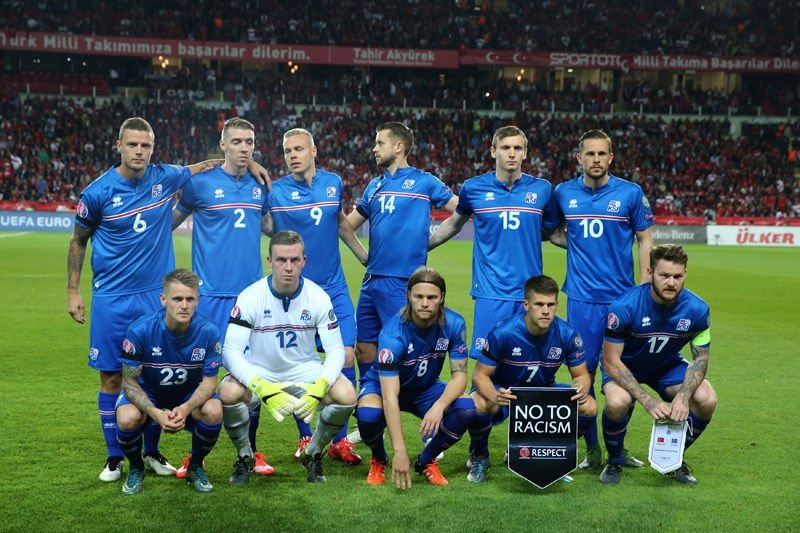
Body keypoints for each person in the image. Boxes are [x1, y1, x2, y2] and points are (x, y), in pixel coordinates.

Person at [67, 117, 266, 482]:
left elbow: (205, 166)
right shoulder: (97, 192)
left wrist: (248, 163)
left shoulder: (166, 177)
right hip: (111, 296)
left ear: (153, 148)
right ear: (118, 145)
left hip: (154, 296)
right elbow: (78, 239)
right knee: (111, 378)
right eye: (132, 144)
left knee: (154, 376)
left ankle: (152, 451)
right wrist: (72, 290)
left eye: (145, 145)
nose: (139, 151)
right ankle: (115, 458)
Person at [171, 117, 274, 478]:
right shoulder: (199, 184)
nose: (244, 147)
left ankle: (251, 452)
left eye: (250, 142)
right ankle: (195, 455)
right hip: (210, 297)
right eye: (237, 141)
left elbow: (272, 228)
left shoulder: (261, 186)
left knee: (249, 381)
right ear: (223, 144)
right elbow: (168, 222)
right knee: (201, 380)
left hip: (250, 299)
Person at [219, 230, 357, 484]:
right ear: (269, 261)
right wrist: (259, 385)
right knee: (228, 392)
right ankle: (245, 456)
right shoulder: (250, 296)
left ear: (304, 261)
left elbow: (336, 350)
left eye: (294, 260)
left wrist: (321, 385)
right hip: (261, 370)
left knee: (346, 395)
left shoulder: (318, 297)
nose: (288, 267)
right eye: (281, 260)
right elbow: (230, 351)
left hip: (304, 370)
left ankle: (313, 452)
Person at [550, 129, 653, 470]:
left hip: (622, 302)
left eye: (601, 154)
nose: (595, 160)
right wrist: (577, 244)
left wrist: (644, 287)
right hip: (581, 301)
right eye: (589, 154)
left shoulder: (630, 193)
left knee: (623, 376)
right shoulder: (563, 193)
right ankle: (592, 450)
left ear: (611, 157)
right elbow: (550, 230)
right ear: (579, 158)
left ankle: (616, 450)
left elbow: (645, 238)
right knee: (584, 374)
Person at [264, 127, 367, 465]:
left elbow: (340, 223)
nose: (292, 155)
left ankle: (338, 440)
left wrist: (363, 256)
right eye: (287, 151)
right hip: (297, 293)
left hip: (334, 288)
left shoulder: (333, 182)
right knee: (299, 363)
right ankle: (306, 435)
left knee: (347, 357)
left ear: (313, 151)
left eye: (298, 149)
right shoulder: (275, 190)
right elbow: (264, 224)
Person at [429, 125, 559, 359]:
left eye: (517, 148)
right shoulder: (473, 188)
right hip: (490, 292)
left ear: (525, 153)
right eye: (505, 147)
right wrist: (423, 246)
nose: (512, 153)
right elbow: (454, 223)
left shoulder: (542, 190)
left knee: (526, 361)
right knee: (486, 363)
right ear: (493, 151)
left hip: (530, 293)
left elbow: (551, 232)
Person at [347, 122, 457, 379]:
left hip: (402, 281)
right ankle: (370, 395)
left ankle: (405, 396)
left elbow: (460, 210)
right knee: (363, 348)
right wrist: (362, 256)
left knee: (401, 348)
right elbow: (347, 225)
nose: (374, 149)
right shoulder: (374, 186)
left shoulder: (424, 182)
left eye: (380, 143)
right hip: (371, 281)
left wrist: (431, 241)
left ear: (398, 147)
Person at [599, 244, 716, 485]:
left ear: (685, 273)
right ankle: (614, 460)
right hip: (625, 366)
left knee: (706, 399)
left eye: (677, 276)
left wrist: (683, 396)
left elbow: (700, 359)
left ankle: (673, 458)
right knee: (618, 402)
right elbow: (611, 361)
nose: (671, 283)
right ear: (650, 272)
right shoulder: (625, 306)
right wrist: (647, 400)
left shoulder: (698, 310)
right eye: (664, 275)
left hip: (665, 365)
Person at [463, 275, 596, 483]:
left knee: (589, 407)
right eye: (539, 304)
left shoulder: (567, 334)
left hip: (542, 391)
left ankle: (542, 451)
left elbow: (581, 375)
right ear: (526, 305)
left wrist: (580, 389)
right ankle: (480, 455)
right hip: (505, 390)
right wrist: (495, 395)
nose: (546, 310)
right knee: (479, 404)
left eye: (551, 305)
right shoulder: (503, 332)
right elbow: (480, 375)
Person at [355, 267, 470, 489]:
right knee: (368, 414)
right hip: (382, 388)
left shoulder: (455, 324)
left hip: (425, 388)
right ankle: (379, 458)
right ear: (409, 295)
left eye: (431, 297)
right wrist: (400, 451)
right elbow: (390, 397)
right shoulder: (393, 333)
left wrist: (439, 406)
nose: (425, 303)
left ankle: (426, 460)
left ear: (442, 297)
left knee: (467, 407)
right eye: (419, 296)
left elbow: (460, 377)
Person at [115, 269, 223, 495]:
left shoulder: (209, 332)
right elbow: (130, 383)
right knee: (127, 418)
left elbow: (209, 383)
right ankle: (136, 467)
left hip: (187, 395)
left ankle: (195, 467)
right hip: (149, 394)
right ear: (163, 300)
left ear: (197, 301)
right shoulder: (140, 330)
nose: (184, 305)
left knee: (214, 410)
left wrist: (185, 409)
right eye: (177, 299)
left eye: (190, 299)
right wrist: (156, 413)